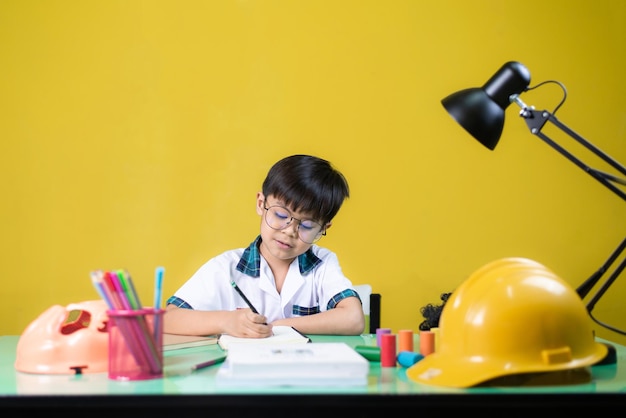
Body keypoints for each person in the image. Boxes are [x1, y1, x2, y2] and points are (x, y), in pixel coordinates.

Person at [164, 154, 364, 338]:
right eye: (281, 215)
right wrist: (226, 321)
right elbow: (168, 319)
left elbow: (353, 319)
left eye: (307, 225)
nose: (290, 231)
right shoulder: (226, 267)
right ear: (261, 203)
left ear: (323, 228)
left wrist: (279, 326)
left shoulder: (322, 264)